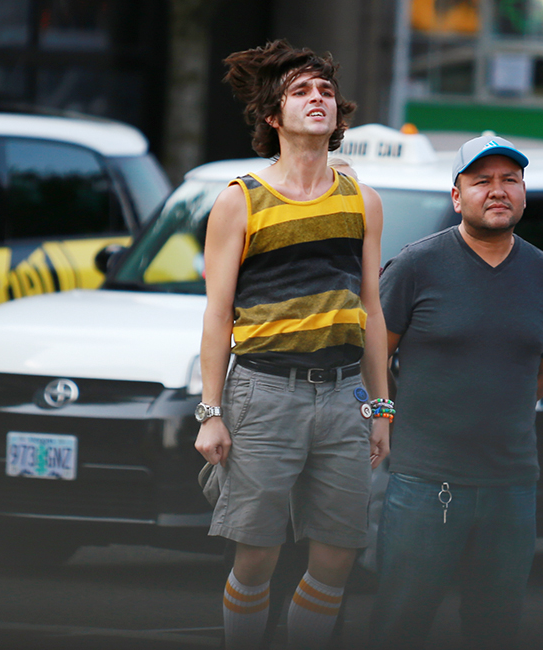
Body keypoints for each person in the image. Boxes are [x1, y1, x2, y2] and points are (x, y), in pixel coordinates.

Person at [194, 40, 391, 650]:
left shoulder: (362, 199)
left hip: (344, 396)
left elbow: (371, 309)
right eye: (301, 91)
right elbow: (217, 314)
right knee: (256, 556)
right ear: (272, 116)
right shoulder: (239, 198)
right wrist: (210, 411)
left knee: (337, 558)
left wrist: (382, 408)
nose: (318, 98)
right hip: (263, 392)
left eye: (326, 90)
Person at [370, 135, 543, 649]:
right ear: (457, 196)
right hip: (424, 484)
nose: (498, 190)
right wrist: (387, 416)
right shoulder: (416, 265)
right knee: (399, 626)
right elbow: (374, 358)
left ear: (524, 193)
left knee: (495, 628)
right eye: (482, 181)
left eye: (510, 180)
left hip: (512, 485)